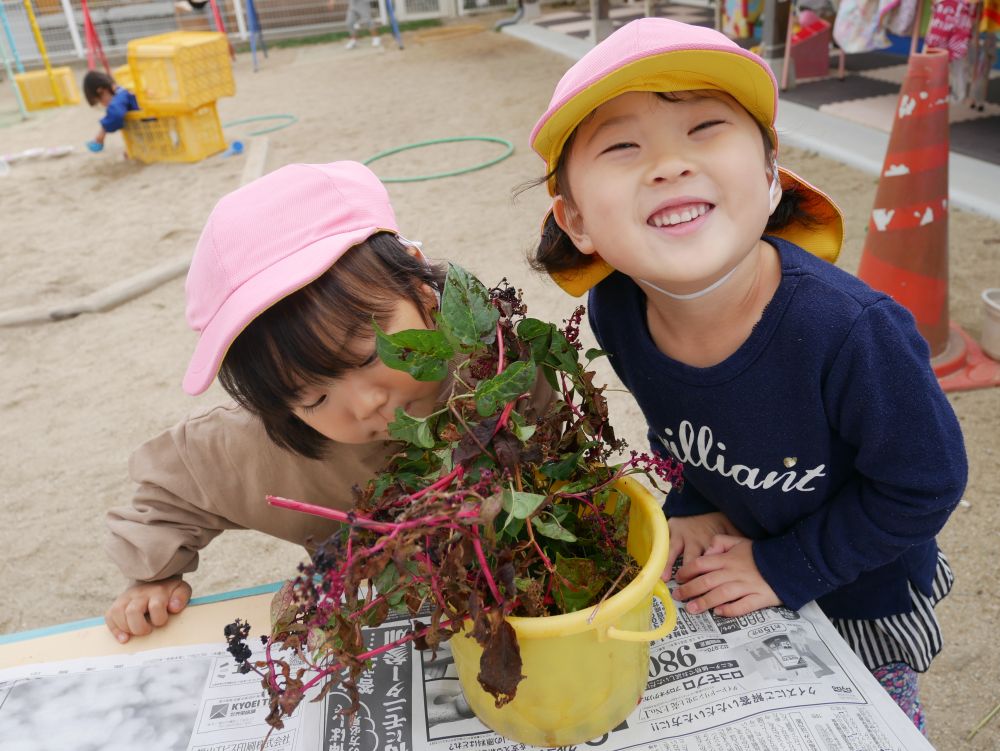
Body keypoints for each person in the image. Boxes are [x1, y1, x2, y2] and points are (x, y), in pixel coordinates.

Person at [526, 17, 966, 731]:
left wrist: (783, 566)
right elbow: (694, 431)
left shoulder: (850, 331)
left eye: (705, 128)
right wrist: (693, 501)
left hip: (866, 588)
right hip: (742, 551)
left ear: (769, 176)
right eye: (623, 145)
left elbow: (926, 483)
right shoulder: (617, 310)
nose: (668, 165)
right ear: (575, 220)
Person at [104, 161, 537, 643]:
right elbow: (174, 489)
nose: (367, 403)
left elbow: (560, 448)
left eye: (373, 353)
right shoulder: (261, 448)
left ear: (420, 290)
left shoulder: (494, 365)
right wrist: (154, 572)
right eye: (315, 396)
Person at [82, 70, 140, 153]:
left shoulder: (121, 96)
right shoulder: (124, 91)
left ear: (101, 90)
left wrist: (103, 131)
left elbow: (116, 113)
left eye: (99, 101)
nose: (103, 105)